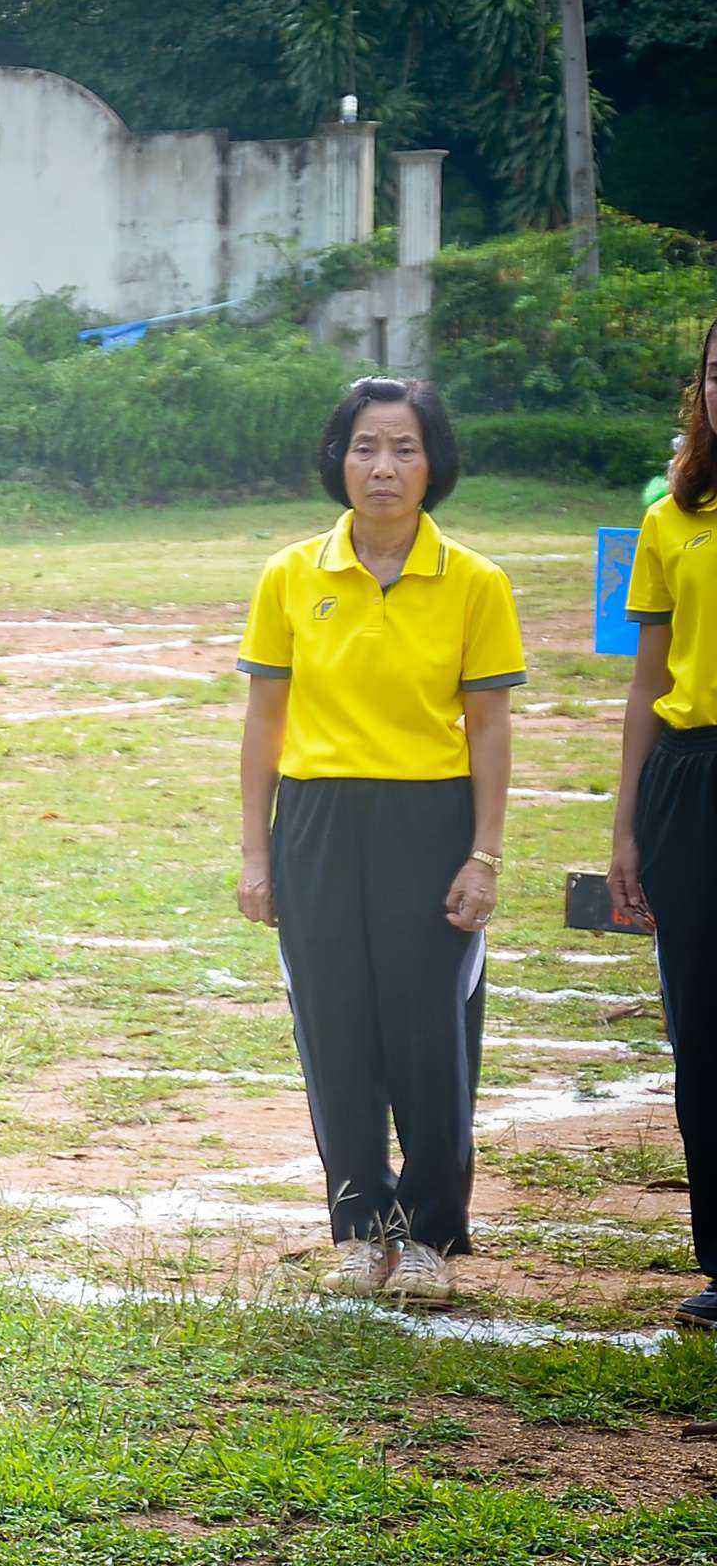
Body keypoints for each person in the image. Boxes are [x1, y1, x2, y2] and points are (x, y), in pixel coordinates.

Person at [236, 376, 523, 1307]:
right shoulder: (290, 575)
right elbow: (264, 722)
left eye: (405, 448)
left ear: (435, 463)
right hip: (316, 822)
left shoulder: (475, 581)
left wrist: (484, 853)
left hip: (429, 820)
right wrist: (256, 852)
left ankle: (432, 1233)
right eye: (365, 447)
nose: (384, 467)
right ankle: (360, 1229)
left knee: (430, 1031)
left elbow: (489, 727)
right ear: (338, 459)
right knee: (334, 1030)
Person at [609, 314, 717, 1332]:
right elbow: (647, 683)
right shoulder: (670, 518)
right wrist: (627, 825)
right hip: (692, 776)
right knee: (702, 1028)